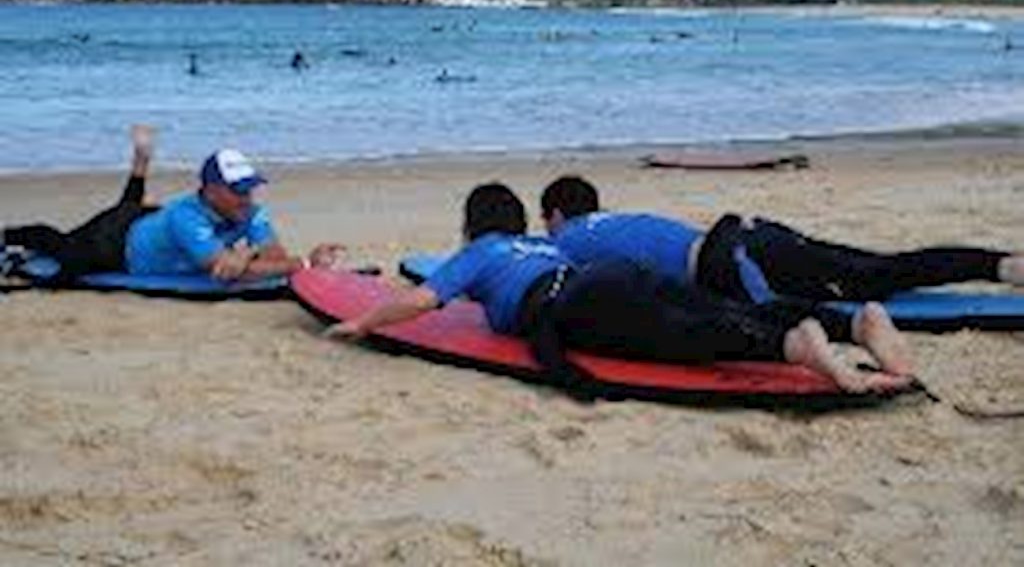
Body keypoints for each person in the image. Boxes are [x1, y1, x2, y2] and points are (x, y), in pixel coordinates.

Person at [326, 183, 914, 400]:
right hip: (606, 276)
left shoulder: (479, 254)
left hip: (577, 304)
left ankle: (796, 348)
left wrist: (365, 322)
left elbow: (424, 301)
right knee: (717, 306)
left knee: (680, 337)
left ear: (473, 227)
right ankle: (849, 325)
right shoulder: (542, 245)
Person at [540, 175, 1024, 304]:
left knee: (877, 276)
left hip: (737, 261)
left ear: (557, 215)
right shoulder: (615, 221)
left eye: (547, 223)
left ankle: (1003, 268)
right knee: (877, 267)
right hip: (748, 234)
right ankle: (1000, 264)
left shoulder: (568, 243)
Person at [2, 126, 341, 283]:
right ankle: (6, 236)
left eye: (249, 187)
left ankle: (141, 160)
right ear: (210, 190)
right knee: (59, 245)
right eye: (238, 189)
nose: (247, 197)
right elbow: (225, 272)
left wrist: (247, 255)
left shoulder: (248, 209)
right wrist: (307, 263)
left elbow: (272, 260)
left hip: (150, 221)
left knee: (132, 205)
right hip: (114, 244)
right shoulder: (186, 216)